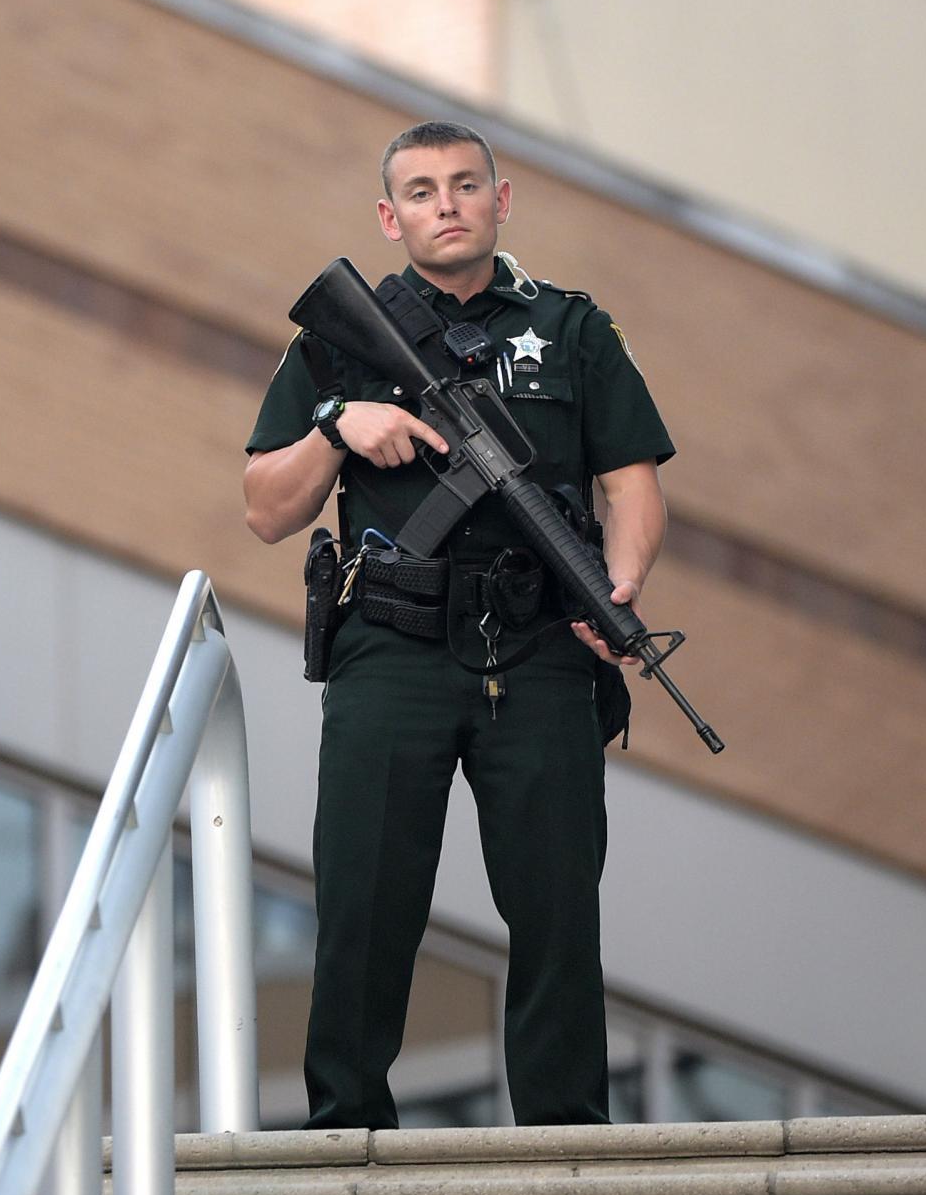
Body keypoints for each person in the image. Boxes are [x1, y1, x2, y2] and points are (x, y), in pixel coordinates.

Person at [242, 118, 674, 1130]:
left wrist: (616, 592)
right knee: (365, 902)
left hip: (541, 647)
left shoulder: (575, 329)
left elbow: (633, 485)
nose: (447, 203)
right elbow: (265, 506)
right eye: (423, 190)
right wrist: (334, 425)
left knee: (558, 910)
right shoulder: (341, 339)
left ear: (500, 198)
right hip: (391, 645)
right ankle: (345, 1132)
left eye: (465, 184)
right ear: (390, 217)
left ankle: (567, 1143)